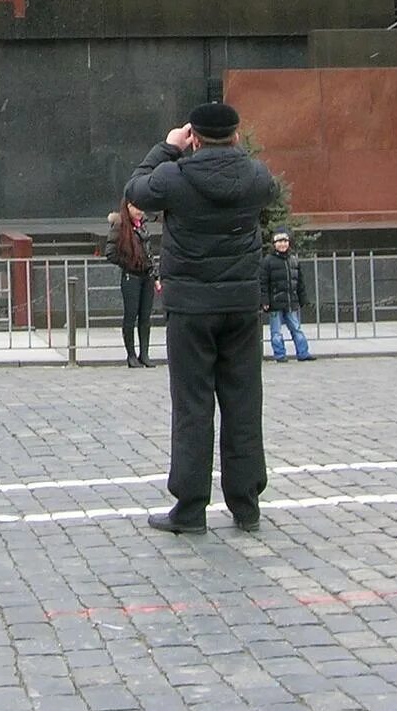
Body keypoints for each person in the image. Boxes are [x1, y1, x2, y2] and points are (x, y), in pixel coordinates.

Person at [126, 102, 275, 535]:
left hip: (191, 307)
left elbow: (135, 189)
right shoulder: (255, 175)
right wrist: (236, 152)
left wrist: (166, 148)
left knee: (193, 406)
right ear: (236, 133)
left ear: (193, 137)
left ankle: (190, 508)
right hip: (242, 304)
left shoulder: (174, 176)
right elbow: (265, 190)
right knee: (244, 402)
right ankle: (245, 505)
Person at [104, 201, 162, 368]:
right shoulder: (120, 225)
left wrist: (155, 275)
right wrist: (128, 263)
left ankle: (144, 354)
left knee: (145, 317)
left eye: (142, 208)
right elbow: (110, 253)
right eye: (136, 207)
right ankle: (131, 355)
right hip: (131, 277)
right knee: (131, 316)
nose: (139, 211)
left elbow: (148, 252)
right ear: (127, 207)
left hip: (147, 276)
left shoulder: (142, 225)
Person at [260, 229, 313, 363]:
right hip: (275, 302)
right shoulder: (268, 261)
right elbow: (263, 283)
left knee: (296, 329)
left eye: (285, 241)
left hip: (291, 302)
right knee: (276, 331)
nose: (283, 244)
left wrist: (303, 299)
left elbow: (300, 282)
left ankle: (303, 353)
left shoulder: (293, 260)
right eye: (279, 242)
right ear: (274, 244)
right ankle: (279, 355)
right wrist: (265, 301)